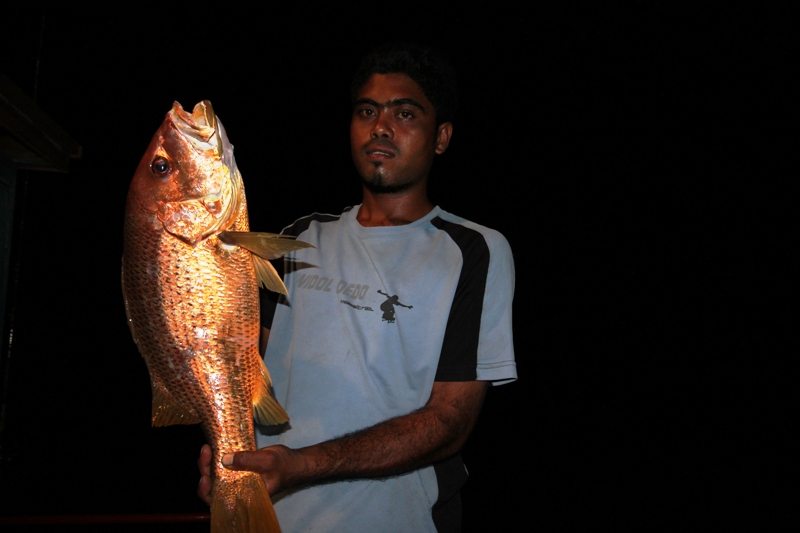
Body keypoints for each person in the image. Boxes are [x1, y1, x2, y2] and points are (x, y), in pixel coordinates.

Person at [198, 41, 517, 532]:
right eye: (367, 111)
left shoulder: (473, 249)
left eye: (405, 113)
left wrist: (299, 465)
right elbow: (238, 360)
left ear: (441, 137)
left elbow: (448, 423)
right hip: (269, 518)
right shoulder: (297, 237)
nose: (380, 127)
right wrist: (225, 452)